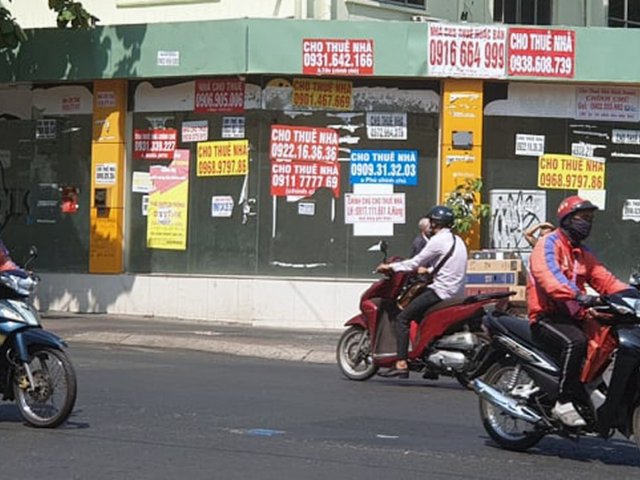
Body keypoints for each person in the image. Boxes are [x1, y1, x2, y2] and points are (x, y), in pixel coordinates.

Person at [527, 195, 628, 427]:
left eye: (590, 219)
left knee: (606, 339)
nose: (587, 223)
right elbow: (549, 278)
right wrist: (579, 295)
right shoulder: (548, 243)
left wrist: (630, 294)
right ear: (567, 219)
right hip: (546, 315)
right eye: (583, 218)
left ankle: (589, 387)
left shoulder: (582, 252)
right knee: (577, 342)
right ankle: (563, 401)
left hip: (574, 315)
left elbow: (605, 279)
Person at [376, 206, 468, 378]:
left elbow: (414, 263)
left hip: (441, 292)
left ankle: (401, 363)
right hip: (458, 292)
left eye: (431, 222)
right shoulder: (458, 240)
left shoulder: (437, 241)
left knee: (402, 318)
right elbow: (451, 265)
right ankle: (430, 364)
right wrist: (430, 270)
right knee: (422, 317)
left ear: (435, 224)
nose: (430, 225)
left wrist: (390, 267)